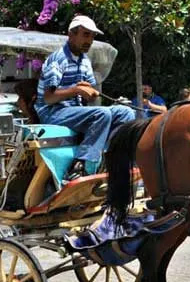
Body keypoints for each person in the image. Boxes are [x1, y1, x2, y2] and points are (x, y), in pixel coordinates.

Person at [37, 15, 134, 181]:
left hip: (74, 110)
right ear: (71, 35)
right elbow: (48, 98)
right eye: (85, 35)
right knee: (102, 114)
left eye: (92, 36)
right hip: (53, 111)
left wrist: (90, 92)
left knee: (126, 113)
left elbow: (88, 97)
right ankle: (82, 166)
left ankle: (107, 157)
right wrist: (76, 90)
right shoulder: (58, 59)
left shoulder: (84, 61)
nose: (89, 40)